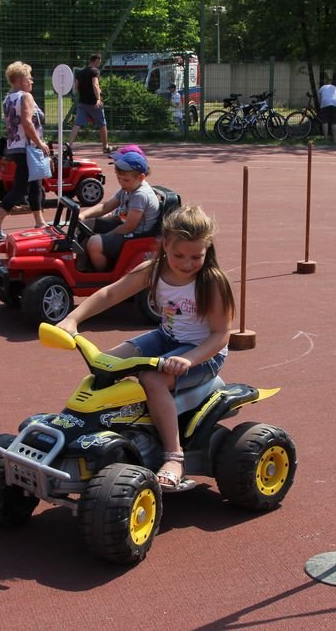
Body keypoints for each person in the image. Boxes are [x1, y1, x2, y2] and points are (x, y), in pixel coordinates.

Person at [58, 205, 234, 492]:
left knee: (151, 379)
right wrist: (72, 319)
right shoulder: (153, 270)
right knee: (105, 364)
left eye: (196, 257)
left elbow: (220, 336)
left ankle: (173, 456)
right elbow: (110, 293)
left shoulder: (212, 282)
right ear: (165, 244)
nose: (187, 263)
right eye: (178, 255)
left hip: (202, 351)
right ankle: (92, 430)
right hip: (166, 337)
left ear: (207, 249)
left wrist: (188, 360)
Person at [0, 61, 51, 240]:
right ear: (21, 80)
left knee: (35, 184)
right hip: (27, 147)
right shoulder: (25, 97)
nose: (32, 81)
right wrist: (40, 143)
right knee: (21, 187)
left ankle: (40, 221)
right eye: (29, 78)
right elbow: (27, 121)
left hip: (15, 146)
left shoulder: (8, 98)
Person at [78, 145, 160, 272]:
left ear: (141, 177)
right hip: (125, 228)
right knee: (87, 224)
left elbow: (129, 227)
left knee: (94, 243)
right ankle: (83, 264)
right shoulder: (129, 187)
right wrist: (83, 215)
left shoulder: (140, 195)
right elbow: (106, 206)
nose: (121, 183)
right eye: (118, 178)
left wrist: (105, 235)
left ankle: (103, 275)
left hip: (137, 237)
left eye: (125, 180)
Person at [69, 54, 114, 154]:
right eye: (100, 61)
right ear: (96, 60)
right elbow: (95, 84)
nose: (100, 63)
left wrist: (83, 92)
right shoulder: (95, 71)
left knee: (77, 125)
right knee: (102, 124)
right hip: (94, 104)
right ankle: (105, 147)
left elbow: (77, 87)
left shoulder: (80, 73)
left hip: (82, 103)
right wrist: (98, 99)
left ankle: (69, 146)